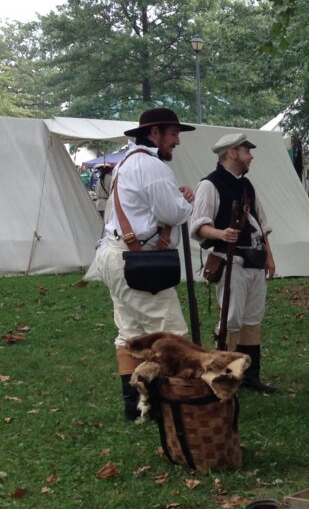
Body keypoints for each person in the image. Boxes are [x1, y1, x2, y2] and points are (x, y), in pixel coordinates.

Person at [94, 107, 195, 421]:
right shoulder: (152, 166)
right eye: (173, 133)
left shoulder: (127, 162)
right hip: (137, 260)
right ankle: (173, 404)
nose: (177, 141)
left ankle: (136, 407)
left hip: (117, 255)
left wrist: (174, 201)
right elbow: (173, 213)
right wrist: (185, 201)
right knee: (171, 335)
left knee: (131, 334)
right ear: (155, 133)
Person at [190, 132, 278, 394]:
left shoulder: (246, 185)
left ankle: (250, 375)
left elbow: (261, 227)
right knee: (231, 319)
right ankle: (222, 375)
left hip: (254, 259)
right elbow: (199, 225)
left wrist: (269, 257)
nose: (250, 156)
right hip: (231, 261)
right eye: (246, 151)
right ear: (231, 153)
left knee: (252, 319)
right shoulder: (210, 185)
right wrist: (221, 234)